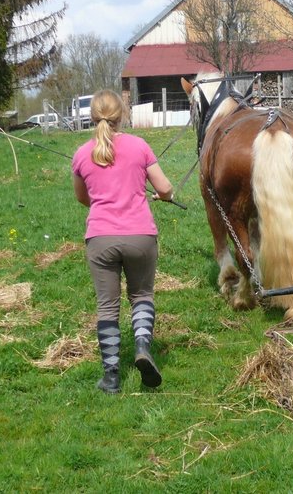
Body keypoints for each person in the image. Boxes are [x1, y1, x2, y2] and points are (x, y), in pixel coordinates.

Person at [72, 89, 174, 394]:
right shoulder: (140, 146)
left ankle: (112, 377)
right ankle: (142, 347)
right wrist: (162, 196)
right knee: (141, 295)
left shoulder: (81, 154)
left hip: (101, 239)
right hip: (140, 236)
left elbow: (83, 199)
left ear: (92, 117)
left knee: (107, 307)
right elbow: (166, 188)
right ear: (122, 115)